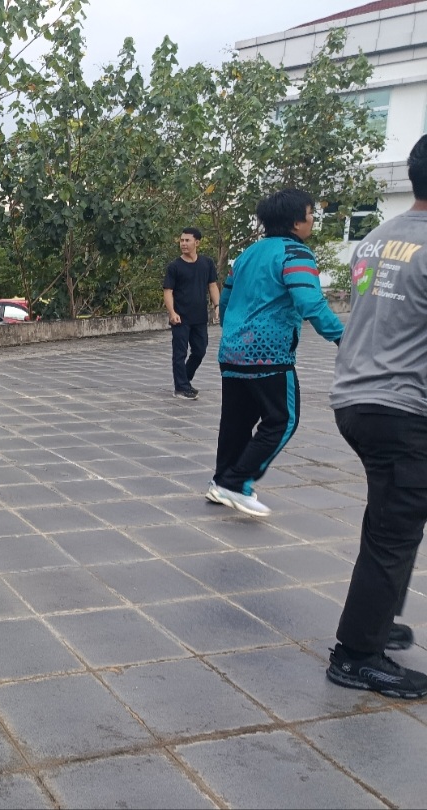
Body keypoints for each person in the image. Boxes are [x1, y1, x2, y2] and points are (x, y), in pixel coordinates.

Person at [326, 135, 427, 699]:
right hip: (400, 410)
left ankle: (376, 620)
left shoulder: (376, 238)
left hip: (357, 399)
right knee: (394, 529)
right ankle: (357, 655)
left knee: (390, 518)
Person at [207, 188, 344, 517]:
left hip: (233, 351)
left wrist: (235, 332)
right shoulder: (296, 253)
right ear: (296, 222)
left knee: (236, 422)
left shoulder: (247, 254)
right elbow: (310, 303)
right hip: (269, 355)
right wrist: (344, 338)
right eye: (311, 215)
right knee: (283, 420)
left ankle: (222, 481)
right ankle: (236, 482)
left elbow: (226, 302)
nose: (312, 220)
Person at [163, 227, 220, 399]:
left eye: (187, 240)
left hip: (200, 317)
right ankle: (181, 388)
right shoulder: (174, 266)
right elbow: (168, 291)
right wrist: (172, 312)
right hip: (180, 318)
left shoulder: (207, 263)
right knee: (179, 354)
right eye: (181, 240)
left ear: (197, 242)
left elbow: (212, 286)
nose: (183, 244)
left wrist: (217, 305)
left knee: (200, 351)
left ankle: (185, 379)